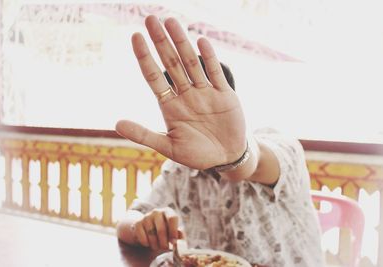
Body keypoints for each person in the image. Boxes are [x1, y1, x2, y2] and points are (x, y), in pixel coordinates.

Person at [115, 15, 324, 267]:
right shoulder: (180, 172)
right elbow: (129, 220)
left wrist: (235, 156)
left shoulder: (282, 148)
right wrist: (141, 226)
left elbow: (253, 163)